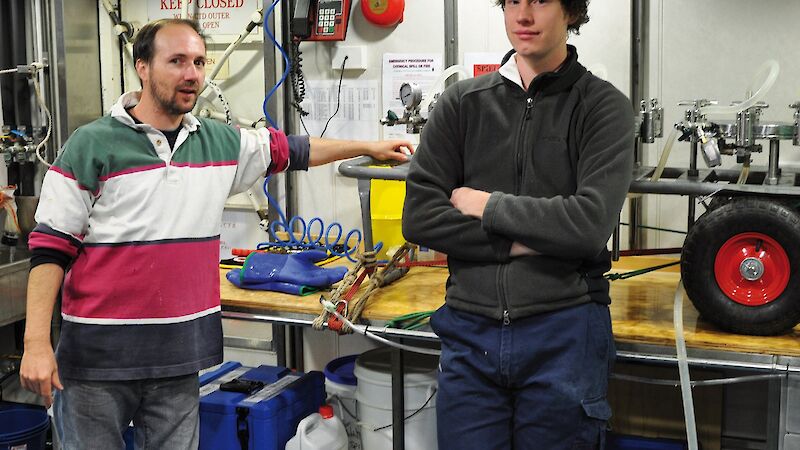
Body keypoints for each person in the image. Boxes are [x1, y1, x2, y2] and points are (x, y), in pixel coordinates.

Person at [19, 18, 412, 450]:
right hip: (98, 363)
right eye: (177, 61)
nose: (192, 74)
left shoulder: (220, 142)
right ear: (142, 68)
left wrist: (369, 147)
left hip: (180, 357)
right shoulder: (90, 144)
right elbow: (50, 250)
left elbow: (293, 150)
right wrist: (37, 344)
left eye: (199, 62)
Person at [402, 0, 633, 448]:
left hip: (564, 334)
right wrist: (520, 243)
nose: (523, 16)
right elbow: (421, 216)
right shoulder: (462, 104)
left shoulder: (603, 107)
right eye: (513, 2)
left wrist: (487, 205)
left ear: (571, 12)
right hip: (470, 335)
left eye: (540, 1)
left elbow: (587, 224)